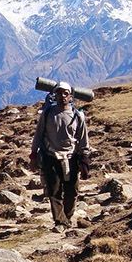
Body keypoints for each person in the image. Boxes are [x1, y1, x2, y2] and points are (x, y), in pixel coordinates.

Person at [30, 81, 91, 232]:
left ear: (70, 96)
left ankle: (67, 217)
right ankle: (60, 221)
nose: (62, 96)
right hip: (51, 156)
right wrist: (33, 154)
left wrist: (84, 161)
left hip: (71, 158)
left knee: (71, 191)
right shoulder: (48, 113)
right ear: (55, 95)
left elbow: (83, 139)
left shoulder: (78, 116)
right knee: (54, 190)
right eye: (59, 93)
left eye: (65, 93)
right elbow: (38, 134)